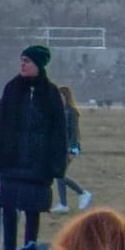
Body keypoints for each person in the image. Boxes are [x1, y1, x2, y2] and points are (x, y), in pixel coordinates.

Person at [0, 44, 69, 250]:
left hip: (38, 165)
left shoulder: (50, 93)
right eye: (21, 61)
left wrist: (56, 166)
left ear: (38, 65)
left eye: (27, 61)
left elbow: (58, 132)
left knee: (33, 212)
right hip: (12, 161)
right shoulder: (12, 88)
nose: (22, 65)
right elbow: (0, 127)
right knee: (8, 209)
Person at [54, 84, 93, 213]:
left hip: (69, 148)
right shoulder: (58, 111)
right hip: (59, 148)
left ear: (66, 97)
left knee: (59, 175)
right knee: (59, 175)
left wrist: (72, 150)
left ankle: (81, 194)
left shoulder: (71, 112)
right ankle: (65, 203)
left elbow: (74, 133)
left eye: (60, 96)